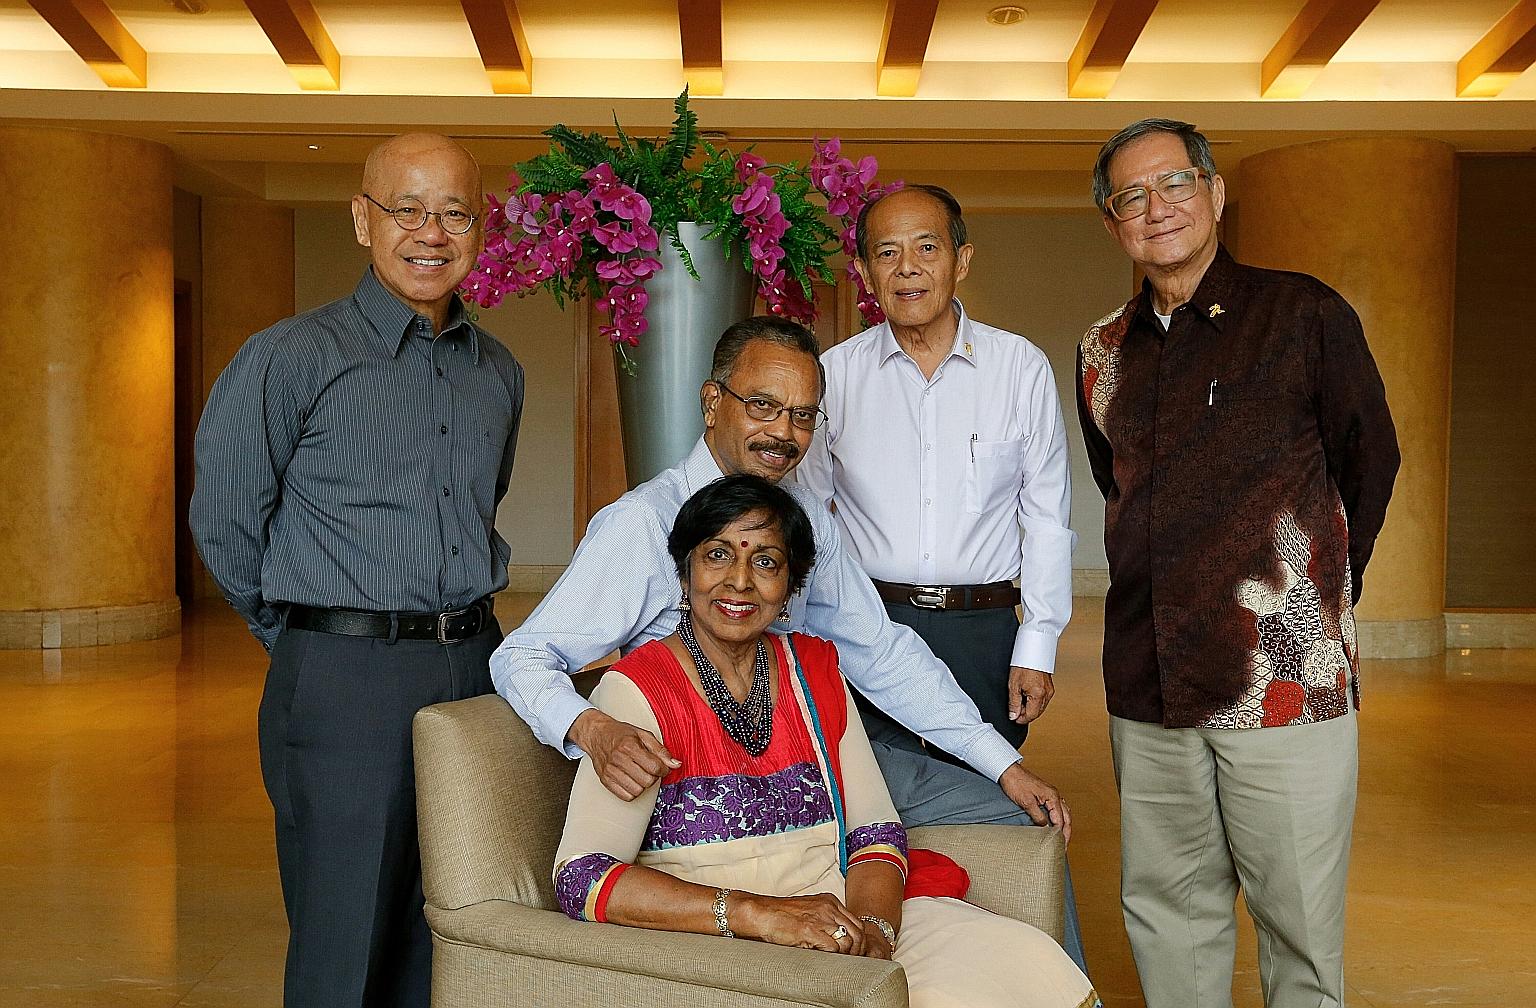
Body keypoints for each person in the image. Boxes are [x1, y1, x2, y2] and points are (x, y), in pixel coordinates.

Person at [492, 315, 1088, 968]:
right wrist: (594, 729)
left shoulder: (805, 525)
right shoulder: (643, 525)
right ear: (712, 401)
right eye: (764, 406)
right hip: (700, 795)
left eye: (803, 416)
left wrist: (1002, 762)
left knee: (1026, 818)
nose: (783, 433)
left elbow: (879, 652)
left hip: (815, 762)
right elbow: (523, 655)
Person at [190, 133, 525, 1007]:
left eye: (454, 212)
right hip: (344, 676)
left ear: (479, 228)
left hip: (473, 666)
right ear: (361, 219)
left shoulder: (499, 372)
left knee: (448, 917)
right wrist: (311, 642)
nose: (430, 232)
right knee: (344, 936)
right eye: (405, 209)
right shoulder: (290, 357)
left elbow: (482, 500)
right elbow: (225, 524)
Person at [553, 474, 1097, 1008]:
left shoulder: (814, 671)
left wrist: (875, 933)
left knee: (1018, 961)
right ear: (684, 571)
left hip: (839, 923)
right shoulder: (636, 692)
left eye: (765, 562)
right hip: (718, 942)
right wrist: (759, 914)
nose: (739, 581)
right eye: (717, 555)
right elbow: (584, 878)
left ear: (790, 587)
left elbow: (875, 831)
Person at [1078, 118, 1399, 1008]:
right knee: (1168, 912)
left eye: (1175, 183)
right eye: (1130, 196)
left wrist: (1319, 595)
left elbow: (1369, 458)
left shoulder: (1304, 314)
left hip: (1283, 679)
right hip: (1149, 684)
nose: (1157, 208)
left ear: (1216, 193)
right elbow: (1124, 491)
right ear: (1114, 224)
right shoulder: (1100, 351)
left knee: (1296, 926)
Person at [796, 184, 1074, 762]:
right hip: (866, 626)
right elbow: (809, 519)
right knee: (874, 804)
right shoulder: (834, 377)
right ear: (865, 272)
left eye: (927, 248)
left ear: (961, 260)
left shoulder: (1018, 368)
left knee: (983, 797)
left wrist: (1038, 643)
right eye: (887, 252)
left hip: (983, 628)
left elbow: (1046, 517)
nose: (907, 270)